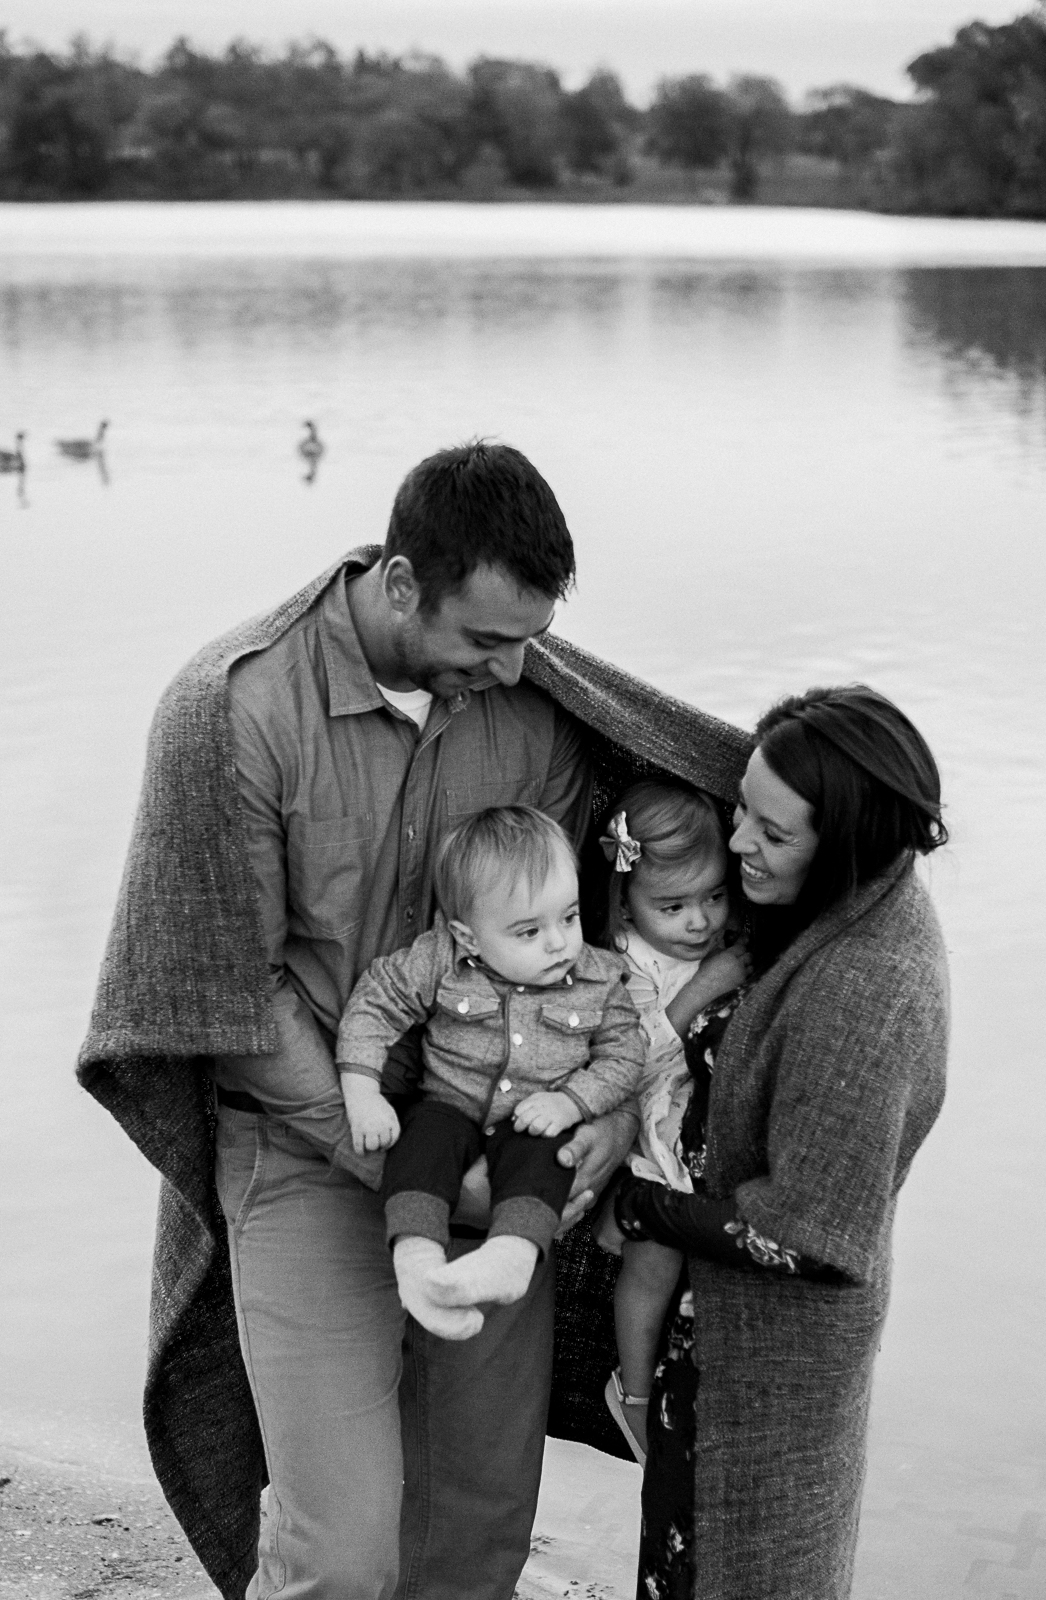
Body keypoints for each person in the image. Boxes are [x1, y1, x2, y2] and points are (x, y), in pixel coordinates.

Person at [209, 442, 639, 1600]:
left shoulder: (538, 714)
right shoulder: (242, 709)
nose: (512, 669)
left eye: (531, 642)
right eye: (486, 640)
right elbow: (226, 990)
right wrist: (386, 1153)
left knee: (474, 1539)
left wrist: (605, 1109)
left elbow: (567, 952)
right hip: (303, 1149)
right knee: (343, 1556)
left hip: (497, 1155)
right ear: (401, 584)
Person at [612, 685, 950, 1600]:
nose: (736, 846)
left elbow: (809, 1232)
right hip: (716, 1325)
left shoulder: (867, 986)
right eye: (740, 813)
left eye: (770, 834)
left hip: (771, 1352)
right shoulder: (835, 895)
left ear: (840, 838)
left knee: (751, 1565)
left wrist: (642, 1208)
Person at [336, 805, 646, 1334]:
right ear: (469, 936)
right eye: (528, 931)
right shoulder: (440, 958)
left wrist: (571, 1102)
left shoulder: (601, 981)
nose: (559, 942)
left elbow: (625, 1057)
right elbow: (376, 1003)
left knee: (548, 1152)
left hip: (536, 1113)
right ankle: (418, 1266)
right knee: (421, 1139)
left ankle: (512, 1256)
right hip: (449, 1106)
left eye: (568, 917)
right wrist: (362, 1090)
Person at [590, 781, 749, 1464]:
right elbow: (631, 1061)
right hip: (652, 1122)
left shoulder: (725, 937)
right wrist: (704, 987)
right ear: (623, 896)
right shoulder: (620, 962)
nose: (698, 922)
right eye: (673, 905)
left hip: (708, 1121)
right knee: (653, 1264)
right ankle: (628, 1387)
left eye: (714, 896)